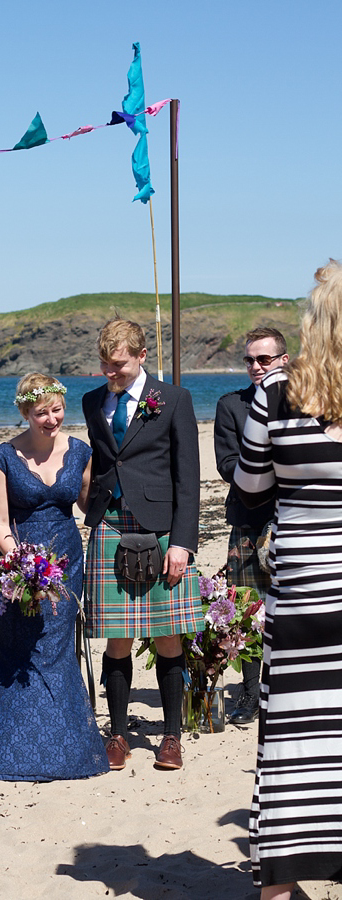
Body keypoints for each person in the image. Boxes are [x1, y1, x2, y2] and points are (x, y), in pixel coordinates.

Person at [234, 260, 342, 899]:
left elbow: (248, 486)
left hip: (302, 592)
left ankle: (280, 882)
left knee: (294, 738)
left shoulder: (273, 394)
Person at [0, 373, 109, 782]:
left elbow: (90, 502)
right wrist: (22, 562)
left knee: (54, 651)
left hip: (68, 564)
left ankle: (63, 750)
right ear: (25, 412)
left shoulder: (80, 452)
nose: (52, 419)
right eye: (42, 413)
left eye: (57, 410)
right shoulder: (1, 458)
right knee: (17, 652)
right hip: (16, 569)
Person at [82, 317, 204, 771]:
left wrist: (183, 543)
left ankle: (171, 738)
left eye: (117, 365)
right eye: (104, 364)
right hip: (110, 525)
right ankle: (117, 736)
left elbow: (187, 478)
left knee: (168, 636)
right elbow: (98, 459)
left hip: (162, 528)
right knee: (117, 639)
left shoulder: (173, 400)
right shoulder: (92, 401)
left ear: (141, 356)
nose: (109, 373)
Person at [214, 327, 289, 724]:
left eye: (264, 359)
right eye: (249, 360)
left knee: (290, 613)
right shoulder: (231, 406)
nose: (256, 366)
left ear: (284, 360)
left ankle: (283, 694)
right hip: (247, 520)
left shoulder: (302, 403)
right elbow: (227, 465)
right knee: (246, 615)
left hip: (292, 521)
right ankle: (248, 695)